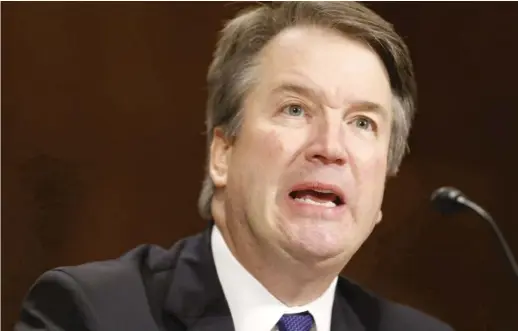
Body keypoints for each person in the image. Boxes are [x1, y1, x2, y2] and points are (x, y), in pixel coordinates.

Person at [15, 2, 454, 331]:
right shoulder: (92, 314)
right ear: (222, 154)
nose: (331, 148)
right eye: (295, 110)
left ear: (382, 185)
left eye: (362, 122)